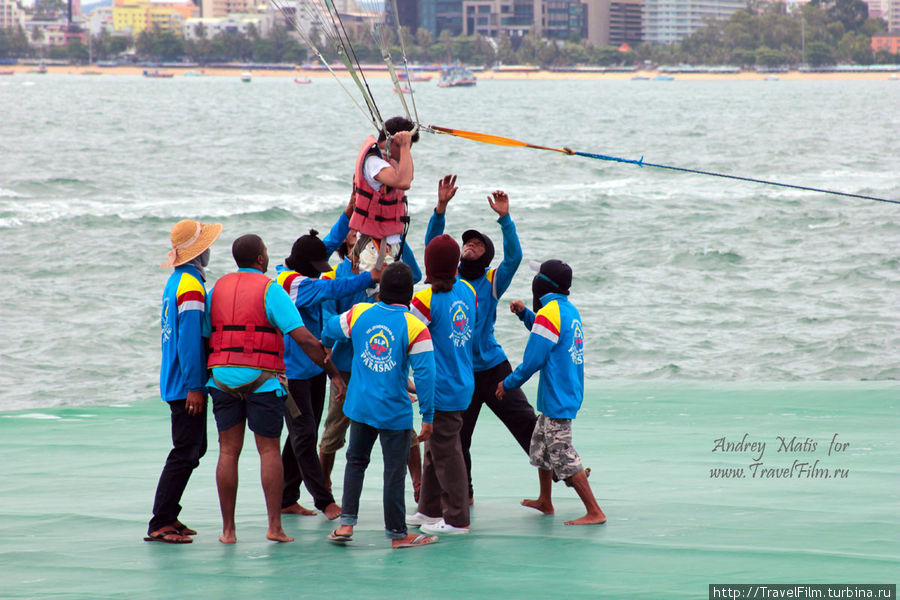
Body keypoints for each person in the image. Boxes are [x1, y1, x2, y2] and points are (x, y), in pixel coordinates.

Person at [205, 234, 347, 544]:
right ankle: (274, 527)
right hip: (262, 380)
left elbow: (202, 336)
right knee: (268, 450)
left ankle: (228, 531)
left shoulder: (215, 290)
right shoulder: (271, 290)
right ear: (260, 259)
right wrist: (334, 375)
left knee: (228, 451)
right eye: (266, 252)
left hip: (221, 379)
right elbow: (306, 339)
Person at [424, 177, 538, 504]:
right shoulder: (449, 281)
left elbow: (514, 258)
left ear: (487, 257)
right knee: (459, 439)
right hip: (460, 372)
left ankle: (563, 468)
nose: (470, 245)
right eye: (467, 243)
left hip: (492, 366)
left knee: (526, 421)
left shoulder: (491, 281)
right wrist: (440, 209)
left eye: (477, 244)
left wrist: (505, 219)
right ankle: (465, 495)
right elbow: (434, 247)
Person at [320, 262, 438, 549]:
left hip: (360, 406)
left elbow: (329, 328)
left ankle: (346, 525)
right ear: (410, 294)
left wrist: (327, 349)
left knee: (355, 463)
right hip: (393, 411)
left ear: (380, 290)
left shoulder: (360, 312)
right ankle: (398, 535)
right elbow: (426, 376)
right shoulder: (416, 327)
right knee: (393, 472)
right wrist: (428, 415)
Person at [276, 229, 380, 520]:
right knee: (305, 435)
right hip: (292, 374)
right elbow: (333, 289)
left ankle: (286, 497)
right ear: (304, 264)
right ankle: (325, 501)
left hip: (313, 369)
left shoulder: (305, 274)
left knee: (298, 435)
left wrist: (350, 209)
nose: (323, 272)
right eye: (317, 266)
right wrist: (370, 278)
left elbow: (328, 245)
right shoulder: (294, 284)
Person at [497, 260, 606, 526]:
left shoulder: (550, 314)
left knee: (561, 451)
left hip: (558, 396)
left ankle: (594, 511)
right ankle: (545, 500)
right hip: (563, 391)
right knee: (540, 446)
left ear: (544, 284)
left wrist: (508, 383)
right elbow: (547, 334)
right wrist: (525, 315)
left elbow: (533, 359)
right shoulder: (566, 310)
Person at [318, 229, 424, 494]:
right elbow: (328, 318)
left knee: (405, 430)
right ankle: (323, 487)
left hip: (383, 365)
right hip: (346, 368)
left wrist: (397, 239)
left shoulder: (389, 268)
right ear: (347, 242)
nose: (369, 239)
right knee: (334, 427)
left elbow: (417, 276)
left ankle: (419, 485)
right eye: (356, 234)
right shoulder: (336, 275)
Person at [145, 219, 222, 544]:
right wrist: (194, 385)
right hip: (184, 382)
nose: (209, 252)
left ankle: (169, 514)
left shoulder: (176, 281)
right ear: (198, 252)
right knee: (186, 449)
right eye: (205, 247)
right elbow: (189, 340)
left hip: (174, 378)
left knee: (194, 447)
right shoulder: (190, 286)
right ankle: (160, 521)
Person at [406, 235, 476, 535]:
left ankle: (458, 518)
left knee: (448, 452)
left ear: (428, 266)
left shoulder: (424, 299)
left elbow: (406, 336)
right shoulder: (468, 290)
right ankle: (429, 509)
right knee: (436, 448)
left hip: (439, 386)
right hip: (462, 379)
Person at [349, 116, 419, 272]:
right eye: (406, 146)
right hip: (375, 246)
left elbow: (409, 177)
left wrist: (404, 147)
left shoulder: (388, 160)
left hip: (388, 243)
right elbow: (404, 183)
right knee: (379, 294)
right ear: (393, 142)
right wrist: (405, 146)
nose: (406, 152)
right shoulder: (373, 163)